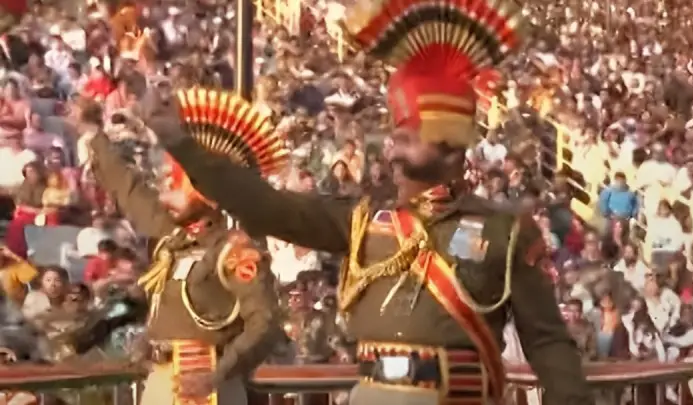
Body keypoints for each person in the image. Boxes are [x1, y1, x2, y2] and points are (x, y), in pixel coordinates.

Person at [150, 2, 594, 405]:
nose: (391, 151)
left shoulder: (505, 231)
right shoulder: (360, 219)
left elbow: (547, 340)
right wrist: (183, 146)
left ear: (450, 149)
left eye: (406, 139)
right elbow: (265, 206)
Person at [71, 91, 284, 405]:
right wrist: (92, 133)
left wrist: (221, 372)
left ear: (206, 193)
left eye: (175, 185)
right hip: (161, 380)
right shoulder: (173, 240)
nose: (165, 195)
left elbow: (264, 322)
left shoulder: (234, 251)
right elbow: (130, 191)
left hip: (209, 387)